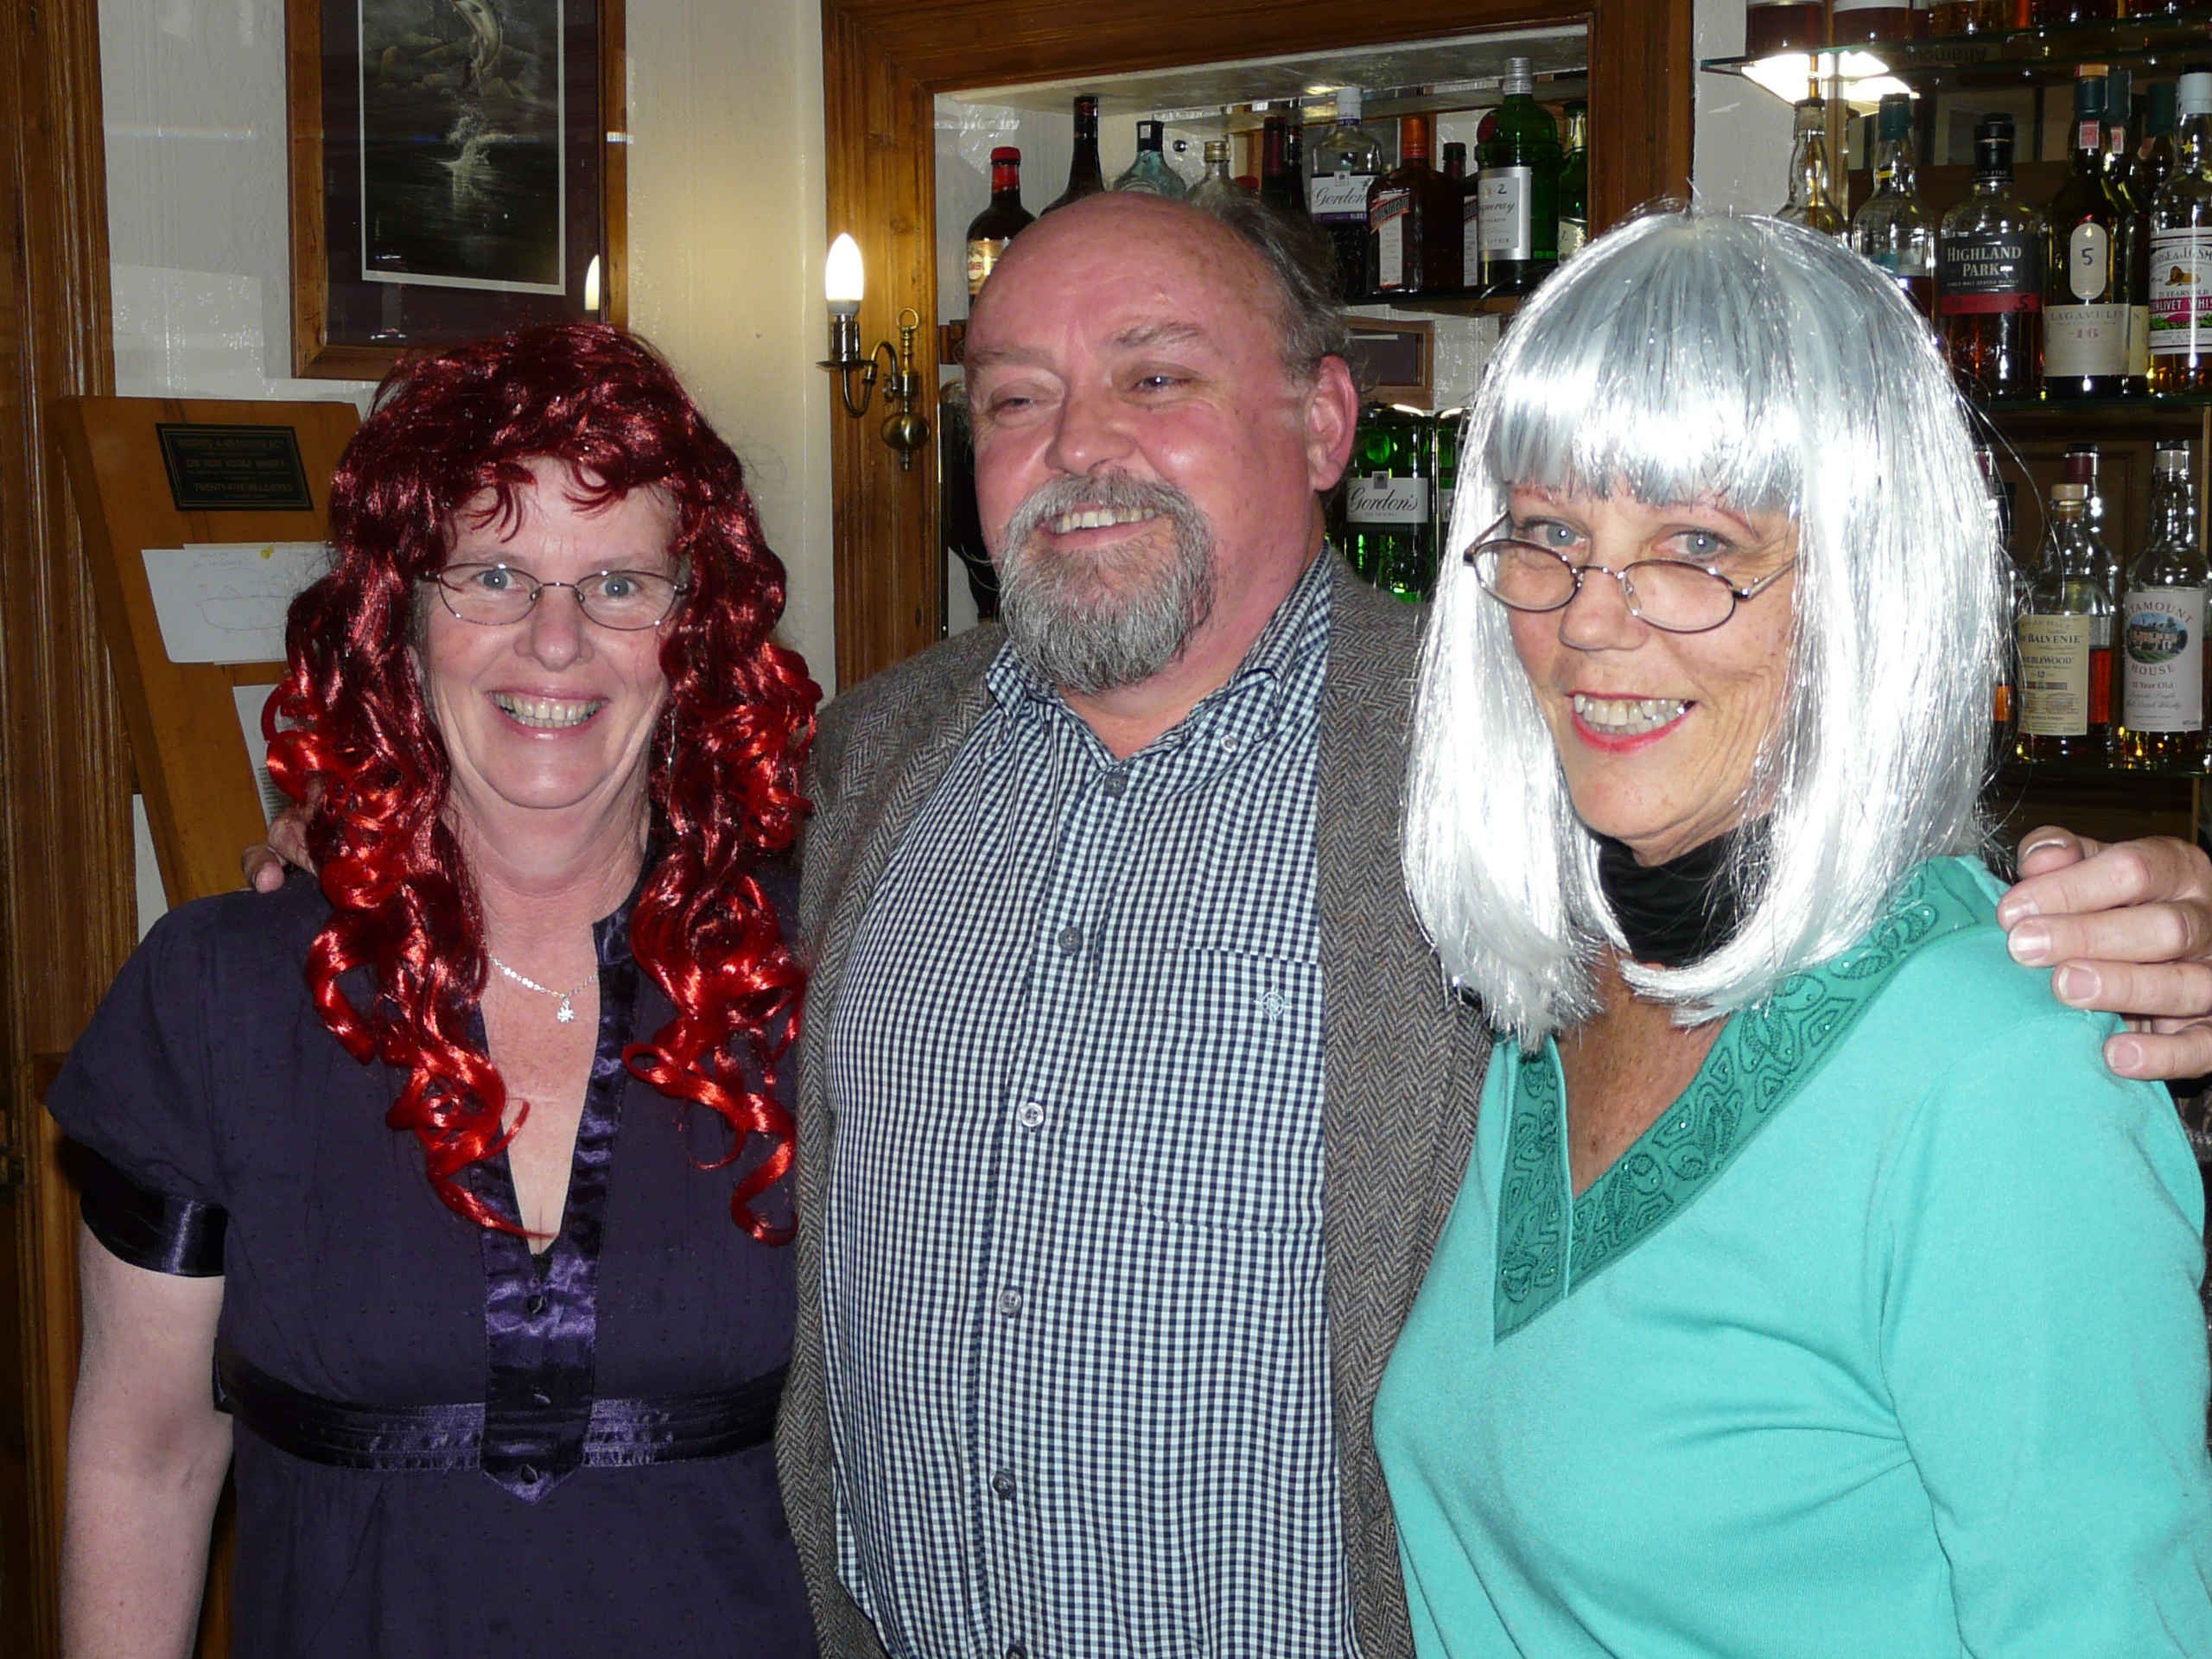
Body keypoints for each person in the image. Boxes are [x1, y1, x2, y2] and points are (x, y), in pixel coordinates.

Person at [767, 191, 2212, 1658]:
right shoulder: (871, 758)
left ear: (1325, 425)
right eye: (1016, 397)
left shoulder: (1485, 776)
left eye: (1154, 376)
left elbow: (1900, 980)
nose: (1080, 445)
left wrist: (2147, 933)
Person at [1377, 209, 2212, 1654]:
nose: (1592, 622)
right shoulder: (1547, 984)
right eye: (1553, 534)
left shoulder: (1999, 1079)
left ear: (1867, 587)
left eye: (1697, 545)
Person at [54, 323, 819, 1656]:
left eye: (621, 584)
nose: (556, 641)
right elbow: (148, 1457)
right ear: (398, 619)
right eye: (495, 575)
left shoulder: (817, 970)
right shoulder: (223, 992)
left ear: (693, 630)